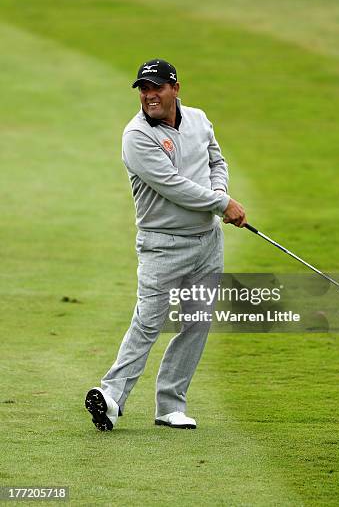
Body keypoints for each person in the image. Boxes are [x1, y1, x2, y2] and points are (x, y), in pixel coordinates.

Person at [85, 58, 246, 431]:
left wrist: (220, 191)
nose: (149, 95)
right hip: (162, 245)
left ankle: (171, 405)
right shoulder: (136, 136)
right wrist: (222, 204)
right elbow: (173, 185)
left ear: (175, 88)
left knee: (196, 322)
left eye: (156, 87)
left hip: (207, 242)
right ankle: (110, 397)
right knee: (148, 323)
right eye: (143, 88)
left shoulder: (200, 120)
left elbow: (216, 161)